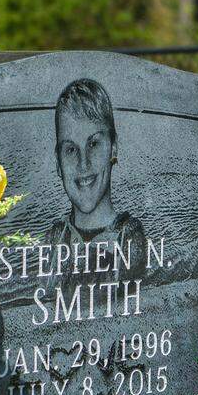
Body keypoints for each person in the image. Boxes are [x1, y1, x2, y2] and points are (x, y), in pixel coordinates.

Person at [44, 78, 146, 286]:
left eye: (93, 144)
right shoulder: (55, 238)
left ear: (113, 148)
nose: (83, 164)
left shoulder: (128, 236)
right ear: (58, 162)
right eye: (71, 149)